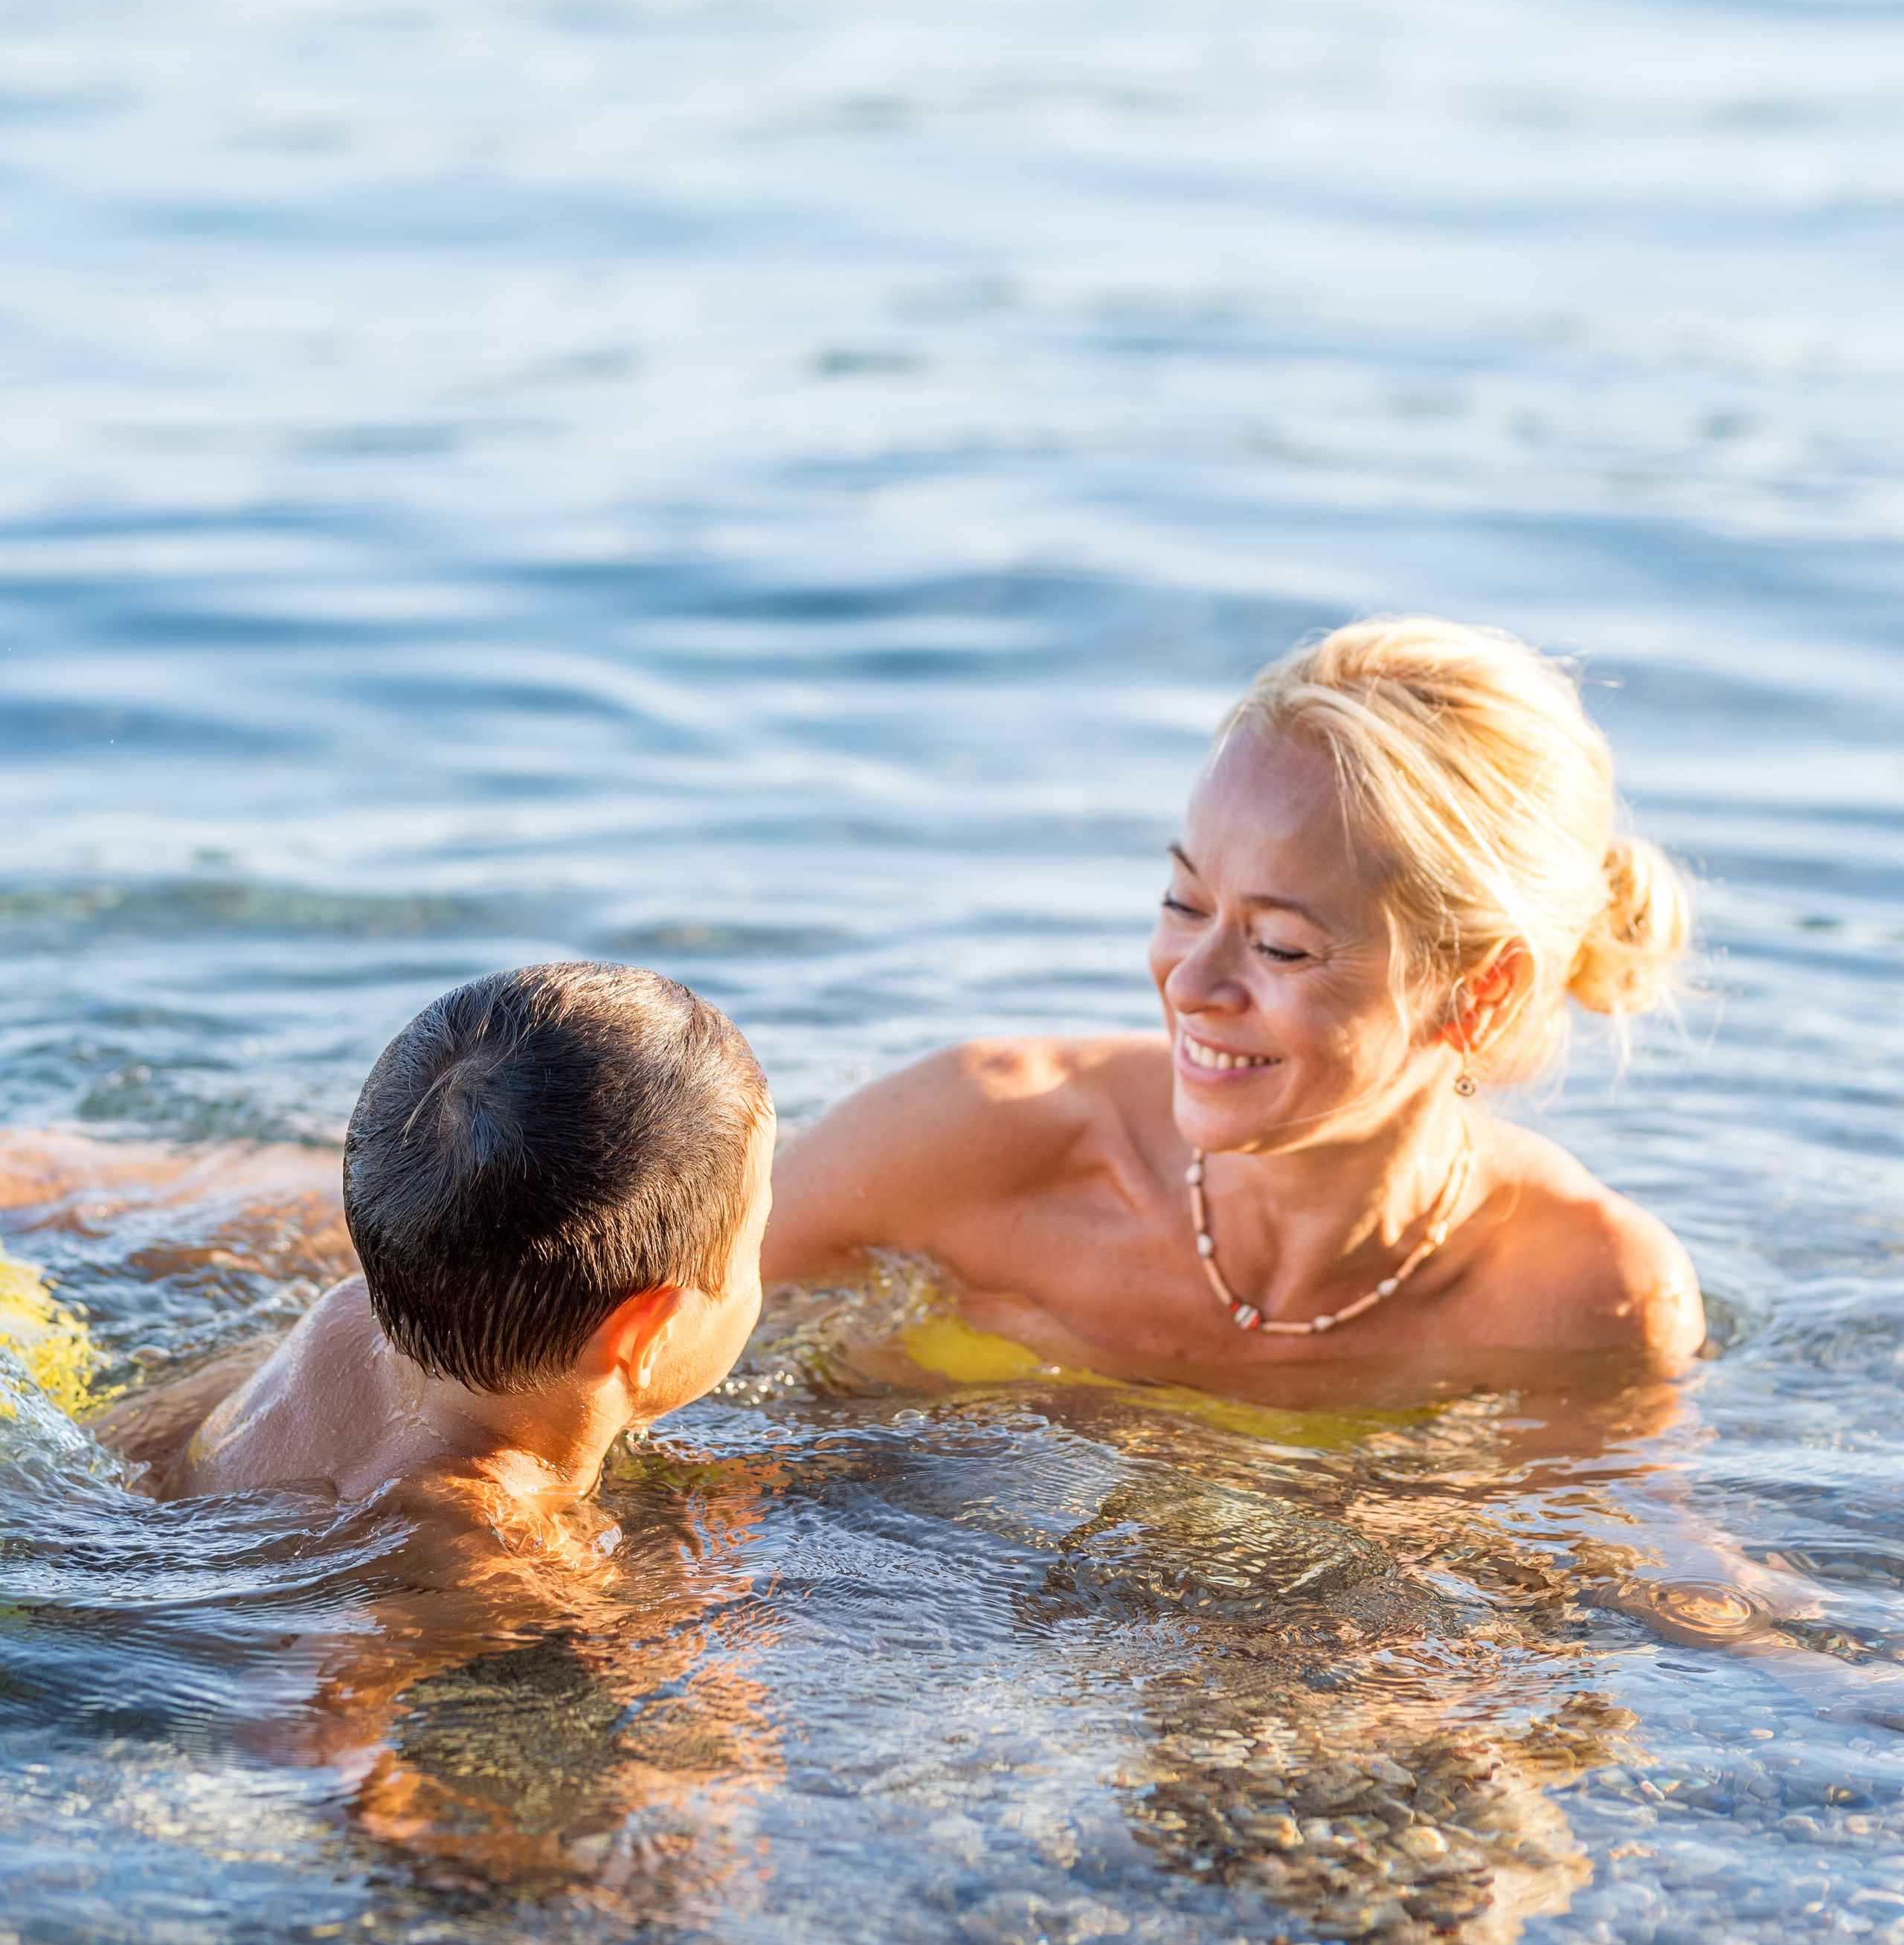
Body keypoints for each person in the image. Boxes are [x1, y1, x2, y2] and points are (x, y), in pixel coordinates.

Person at [763, 617, 1703, 1392]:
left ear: (1478, 992)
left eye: (1280, 945)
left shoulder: (1585, 1297)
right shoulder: (967, 1141)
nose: (1188, 982)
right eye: (1184, 903)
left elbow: (1615, 1577)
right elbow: (640, 1340)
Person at [97, 959, 775, 1513]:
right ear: (642, 1334)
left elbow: (124, 1455)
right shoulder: (491, 1537)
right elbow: (312, 1681)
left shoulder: (338, 1320)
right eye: (759, 1235)